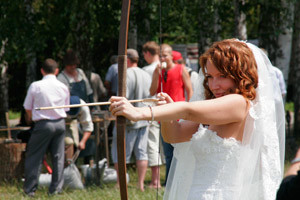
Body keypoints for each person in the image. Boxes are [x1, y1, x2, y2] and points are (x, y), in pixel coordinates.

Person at [109, 39, 285, 200]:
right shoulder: (217, 107)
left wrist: (139, 113)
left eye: (222, 76)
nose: (214, 85)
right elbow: (174, 136)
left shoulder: (240, 103)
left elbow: (188, 110)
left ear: (240, 75)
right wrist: (167, 115)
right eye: (209, 77)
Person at [23, 58, 70, 197]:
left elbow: (27, 107)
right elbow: (66, 108)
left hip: (43, 123)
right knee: (58, 157)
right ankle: (56, 190)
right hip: (60, 123)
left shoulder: (36, 86)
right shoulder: (63, 86)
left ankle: (30, 190)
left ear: (42, 70)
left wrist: (31, 118)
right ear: (56, 71)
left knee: (35, 156)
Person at [149, 44, 193, 185]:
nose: (162, 58)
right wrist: (156, 73)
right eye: (160, 55)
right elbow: (151, 91)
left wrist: (189, 111)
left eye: (165, 55)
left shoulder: (181, 69)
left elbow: (189, 91)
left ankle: (183, 179)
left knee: (181, 151)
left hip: (179, 114)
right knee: (168, 153)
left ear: (171, 56)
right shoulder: (158, 71)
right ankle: (169, 181)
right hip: (164, 115)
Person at [111, 49, 151, 191]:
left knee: (120, 152)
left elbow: (122, 98)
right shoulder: (145, 74)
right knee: (142, 153)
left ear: (127, 60)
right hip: (143, 118)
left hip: (127, 120)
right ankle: (140, 184)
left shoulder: (126, 74)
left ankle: (120, 183)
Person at [142, 41, 164, 189]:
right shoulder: (167, 65)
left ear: (148, 54)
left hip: (153, 110)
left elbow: (147, 93)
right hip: (167, 108)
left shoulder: (146, 70)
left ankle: (155, 181)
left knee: (152, 143)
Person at [64, 96, 94, 165]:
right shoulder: (61, 105)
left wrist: (83, 141)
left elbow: (88, 127)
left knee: (75, 143)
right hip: (62, 121)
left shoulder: (83, 107)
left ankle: (71, 164)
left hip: (74, 121)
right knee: (68, 141)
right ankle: (65, 164)